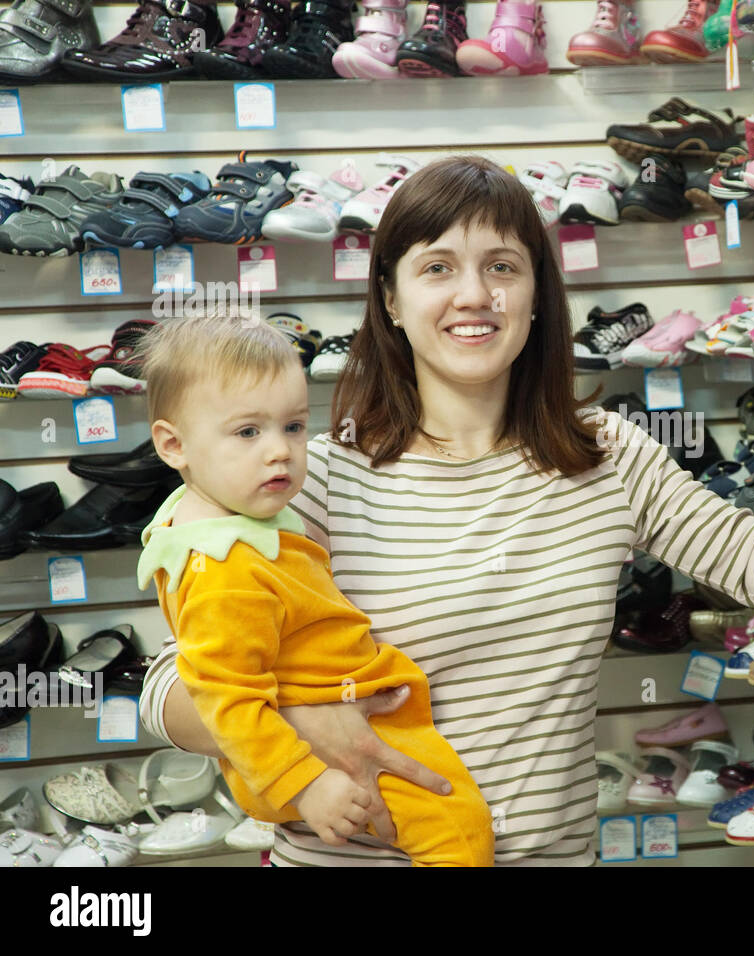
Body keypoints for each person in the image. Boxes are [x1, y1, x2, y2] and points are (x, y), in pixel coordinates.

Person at [139, 154, 754, 867]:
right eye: (437, 266)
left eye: (502, 266)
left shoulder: (606, 455)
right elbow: (169, 684)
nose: (474, 295)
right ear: (390, 296)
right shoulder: (317, 475)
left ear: (539, 296)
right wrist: (305, 727)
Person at [135, 315, 494, 866]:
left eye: (294, 427)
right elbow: (227, 698)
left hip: (332, 730)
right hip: (316, 758)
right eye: (248, 432)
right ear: (173, 444)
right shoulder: (227, 566)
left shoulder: (221, 521)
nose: (280, 450)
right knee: (460, 833)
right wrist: (304, 784)